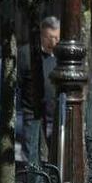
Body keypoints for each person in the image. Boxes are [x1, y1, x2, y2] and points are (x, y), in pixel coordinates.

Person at [18, 16, 60, 160]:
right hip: (33, 114)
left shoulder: (60, 55)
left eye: (57, 37)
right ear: (42, 35)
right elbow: (18, 83)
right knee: (33, 157)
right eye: (50, 37)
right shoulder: (26, 54)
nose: (54, 42)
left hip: (56, 116)